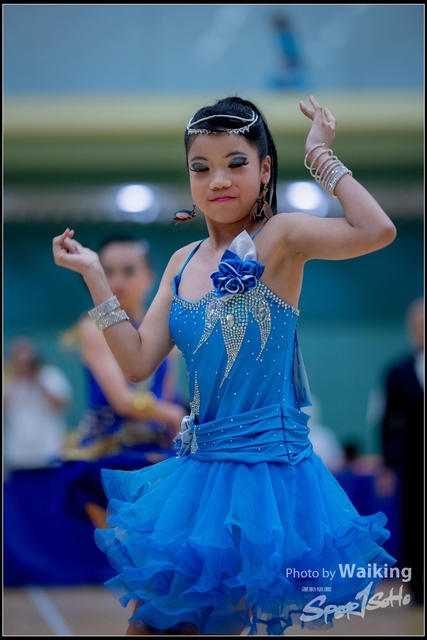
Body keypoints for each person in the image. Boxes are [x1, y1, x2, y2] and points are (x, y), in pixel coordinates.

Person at [53, 94, 398, 635]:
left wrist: (319, 155)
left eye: (236, 163)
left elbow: (377, 229)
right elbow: (137, 363)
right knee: (149, 627)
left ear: (265, 171)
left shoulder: (281, 237)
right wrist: (96, 276)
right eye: (202, 167)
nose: (218, 180)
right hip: (200, 473)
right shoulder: (181, 261)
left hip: (261, 478)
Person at [56, 233, 187, 529]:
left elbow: (168, 396)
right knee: (123, 546)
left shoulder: (166, 329)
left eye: (128, 271)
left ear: (149, 277)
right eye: (108, 272)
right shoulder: (93, 329)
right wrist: (172, 414)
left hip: (157, 448)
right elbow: (123, 401)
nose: (117, 281)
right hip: (108, 451)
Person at [378, 297, 424, 604]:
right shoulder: (397, 372)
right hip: (413, 461)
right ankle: (417, 585)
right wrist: (387, 465)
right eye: (417, 324)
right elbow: (387, 422)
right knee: (413, 519)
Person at [4, 336, 73, 474]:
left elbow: (62, 405)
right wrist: (13, 380)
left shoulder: (50, 375)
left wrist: (37, 379)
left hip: (49, 451)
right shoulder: (7, 379)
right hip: (18, 455)